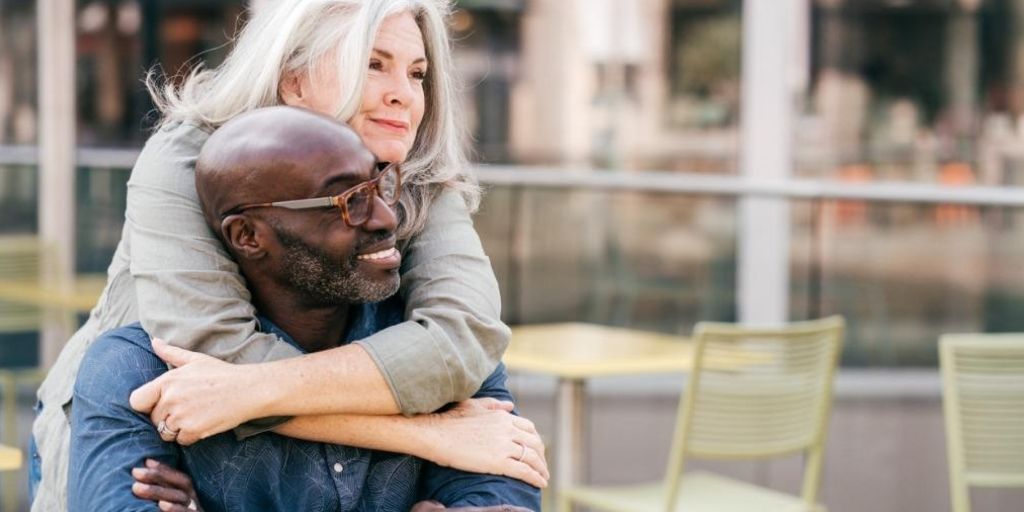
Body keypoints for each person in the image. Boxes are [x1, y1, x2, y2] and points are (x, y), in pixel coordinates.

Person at [32, 1, 526, 510]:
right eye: (373, 64)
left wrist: (248, 393)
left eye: (417, 73)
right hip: (145, 427)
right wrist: (428, 435)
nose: (403, 93)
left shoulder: (412, 168)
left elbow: (463, 340)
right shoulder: (191, 158)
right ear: (294, 79)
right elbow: (219, 361)